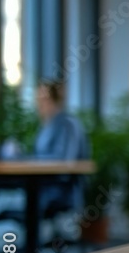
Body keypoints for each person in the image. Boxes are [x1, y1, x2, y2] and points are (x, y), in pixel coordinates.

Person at [34, 80, 89, 212]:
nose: (39, 105)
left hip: (60, 187)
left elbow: (63, 161)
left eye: (43, 100)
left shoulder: (67, 124)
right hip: (43, 183)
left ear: (54, 100)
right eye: (38, 100)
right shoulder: (46, 125)